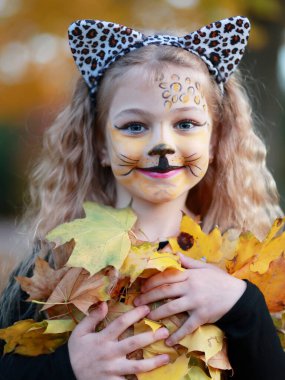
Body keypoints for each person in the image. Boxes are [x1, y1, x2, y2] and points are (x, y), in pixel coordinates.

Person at [0, 15, 284, 380]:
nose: (161, 145)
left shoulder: (244, 266)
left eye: (185, 124)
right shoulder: (55, 264)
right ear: (100, 144)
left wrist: (244, 306)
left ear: (215, 141)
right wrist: (67, 367)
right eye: (135, 126)